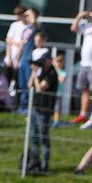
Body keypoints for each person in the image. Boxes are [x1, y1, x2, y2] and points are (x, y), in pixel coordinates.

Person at [26, 46, 59, 174]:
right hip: (35, 107)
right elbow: (30, 85)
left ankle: (45, 165)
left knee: (44, 137)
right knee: (34, 137)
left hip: (44, 110)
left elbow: (40, 88)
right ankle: (34, 163)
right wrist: (33, 73)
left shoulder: (52, 73)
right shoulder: (41, 73)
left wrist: (35, 75)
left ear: (49, 60)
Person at [70, 8, 92, 125]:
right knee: (85, 90)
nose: (91, 19)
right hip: (84, 64)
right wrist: (79, 16)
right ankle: (83, 114)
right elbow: (73, 28)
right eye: (90, 17)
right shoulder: (87, 27)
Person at [16, 7, 39, 113]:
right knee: (22, 84)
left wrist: (31, 13)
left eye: (27, 15)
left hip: (31, 60)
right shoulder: (26, 29)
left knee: (30, 84)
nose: (25, 17)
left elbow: (34, 22)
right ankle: (22, 106)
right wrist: (17, 58)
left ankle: (29, 108)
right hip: (23, 60)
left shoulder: (36, 28)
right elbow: (22, 44)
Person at [4, 5, 28, 88]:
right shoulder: (14, 25)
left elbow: (22, 45)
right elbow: (8, 41)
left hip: (21, 59)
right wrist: (9, 57)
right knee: (7, 80)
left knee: (18, 82)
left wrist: (17, 60)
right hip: (12, 57)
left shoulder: (28, 27)